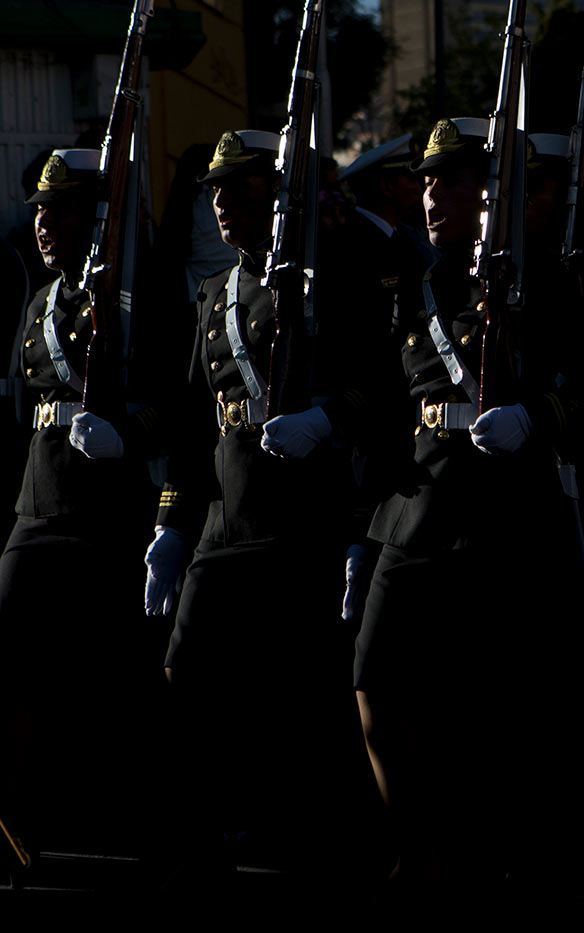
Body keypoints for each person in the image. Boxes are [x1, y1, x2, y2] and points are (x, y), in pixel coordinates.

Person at [348, 118, 584, 899]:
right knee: (377, 682)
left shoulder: (543, 281)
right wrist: (366, 528)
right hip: (417, 509)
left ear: (492, 193)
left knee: (504, 705)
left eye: (450, 181)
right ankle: (419, 849)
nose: (432, 196)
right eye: (425, 181)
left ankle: (510, 860)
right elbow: (392, 409)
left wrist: (539, 416)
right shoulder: (412, 286)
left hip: (505, 514)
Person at [135, 129, 365, 877]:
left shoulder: (327, 280)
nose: (220, 203)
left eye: (237, 188)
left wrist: (328, 417)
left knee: (291, 693)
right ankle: (211, 821)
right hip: (224, 521)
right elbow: (196, 419)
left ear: (279, 195)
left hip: (298, 520)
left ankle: (295, 835)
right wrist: (172, 525)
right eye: (213, 191)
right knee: (188, 669)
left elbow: (386, 386)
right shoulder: (215, 295)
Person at [0, 148, 162, 861]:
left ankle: (139, 823)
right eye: (40, 209)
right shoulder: (39, 301)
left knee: (118, 678)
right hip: (38, 507)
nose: (45, 222)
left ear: (99, 218)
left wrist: (127, 432)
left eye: (62, 209)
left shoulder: (138, 299)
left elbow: (178, 401)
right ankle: (14, 814)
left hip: (106, 508)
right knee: (9, 665)